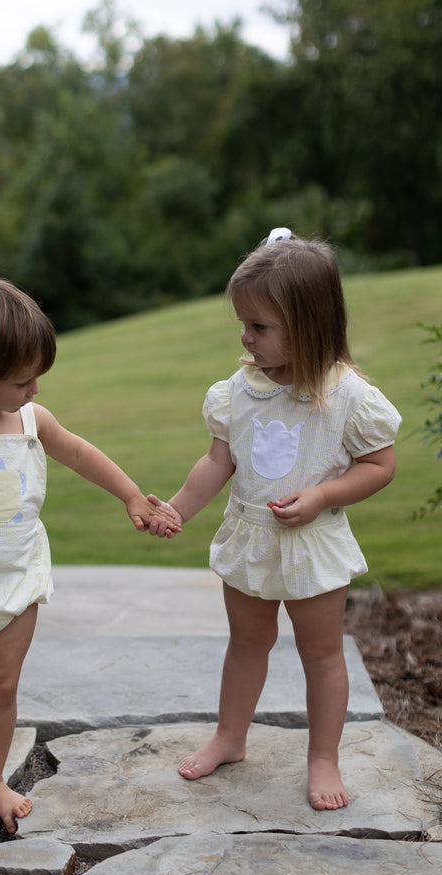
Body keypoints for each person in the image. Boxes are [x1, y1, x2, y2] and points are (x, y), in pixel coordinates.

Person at [0, 271, 179, 856]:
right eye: (23, 381)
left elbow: (78, 451)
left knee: (0, 689)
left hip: (17, 580)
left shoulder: (32, 422)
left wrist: (130, 494)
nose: (36, 390)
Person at [148, 228, 401, 810]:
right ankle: (230, 737)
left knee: (322, 653)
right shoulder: (240, 391)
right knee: (245, 643)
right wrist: (178, 508)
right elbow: (219, 460)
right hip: (253, 539)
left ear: (309, 325)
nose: (245, 337)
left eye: (259, 327)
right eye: (243, 323)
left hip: (313, 544)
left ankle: (323, 757)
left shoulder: (350, 398)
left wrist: (322, 496)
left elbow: (379, 466)